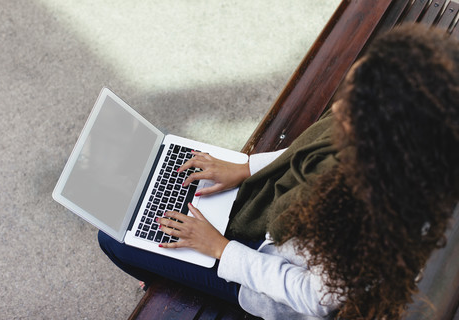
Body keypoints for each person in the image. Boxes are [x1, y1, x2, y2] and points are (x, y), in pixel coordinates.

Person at [98, 24, 459, 319]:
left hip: (262, 277)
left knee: (115, 240)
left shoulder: (371, 222)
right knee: (167, 181)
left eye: (351, 109)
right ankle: (169, 269)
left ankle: (169, 282)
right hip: (274, 224)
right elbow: (305, 153)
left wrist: (220, 249)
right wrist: (245, 168)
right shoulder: (402, 150)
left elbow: (312, 299)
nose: (341, 104)